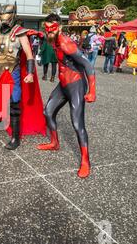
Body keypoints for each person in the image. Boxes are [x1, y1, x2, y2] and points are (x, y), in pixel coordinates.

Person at [0, 3, 46, 150]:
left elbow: (29, 55)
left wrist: (30, 73)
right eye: (1, 17)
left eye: (7, 16)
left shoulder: (20, 33)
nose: (4, 20)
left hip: (14, 72)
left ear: (13, 16)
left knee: (14, 102)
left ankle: (15, 138)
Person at [37, 14, 96, 179]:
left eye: (52, 28)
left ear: (59, 28)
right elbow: (42, 35)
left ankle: (86, 161)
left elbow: (88, 65)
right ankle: (55, 143)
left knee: (77, 124)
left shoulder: (66, 43)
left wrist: (92, 90)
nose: (49, 31)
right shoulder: (52, 39)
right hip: (62, 84)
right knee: (48, 112)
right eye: (46, 28)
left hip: (76, 84)